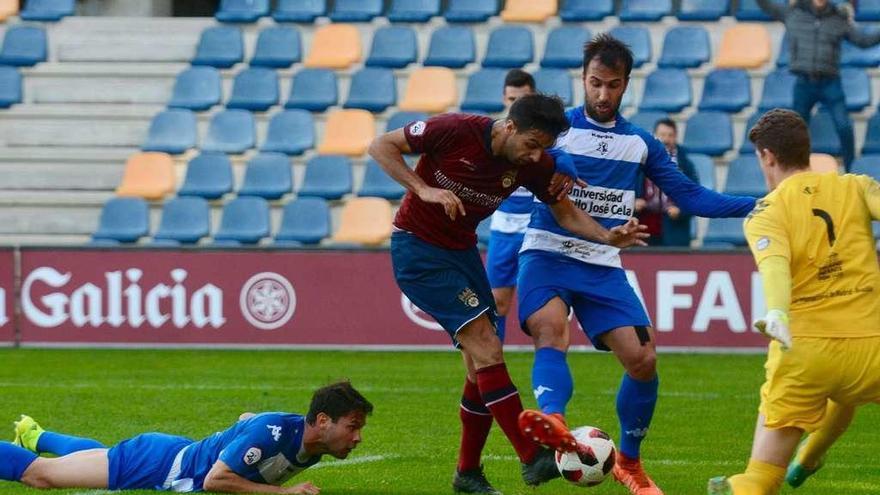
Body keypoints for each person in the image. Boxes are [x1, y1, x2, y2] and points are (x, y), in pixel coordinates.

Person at [514, 34, 757, 495]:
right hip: (546, 250)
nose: (602, 94)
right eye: (595, 83)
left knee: (643, 360)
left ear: (626, 85)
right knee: (550, 328)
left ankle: (629, 461)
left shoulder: (641, 144)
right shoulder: (556, 129)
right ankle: (557, 428)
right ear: (583, 80)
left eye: (613, 85)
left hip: (602, 261)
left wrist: (755, 205)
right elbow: (509, 155)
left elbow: (690, 197)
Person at [369, 93, 648, 494]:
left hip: (461, 253)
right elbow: (381, 145)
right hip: (418, 248)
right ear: (509, 127)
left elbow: (564, 211)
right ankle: (530, 456)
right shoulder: (455, 130)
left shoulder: (531, 164)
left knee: (478, 366)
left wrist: (608, 236)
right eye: (533, 144)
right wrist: (423, 188)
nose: (536, 156)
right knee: (487, 346)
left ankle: (467, 474)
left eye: (545, 149)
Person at [707, 109, 880, 495]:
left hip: (805, 354)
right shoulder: (856, 186)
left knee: (759, 480)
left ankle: (736, 489)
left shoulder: (765, 213)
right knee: (847, 393)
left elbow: (775, 268)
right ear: (807, 149)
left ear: (766, 156)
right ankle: (809, 459)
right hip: (873, 350)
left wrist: (778, 313)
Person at [0, 381, 373, 494]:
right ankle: (33, 441)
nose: (356, 438)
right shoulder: (277, 432)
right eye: (353, 426)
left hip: (175, 453)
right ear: (323, 421)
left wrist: (244, 427)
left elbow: (249, 419)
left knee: (103, 457)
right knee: (42, 476)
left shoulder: (310, 440)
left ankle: (35, 433)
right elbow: (216, 480)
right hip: (160, 464)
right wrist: (284, 493)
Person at [758, 0, 880, 172]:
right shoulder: (794, 13)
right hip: (804, 83)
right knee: (795, 129)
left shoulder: (839, 18)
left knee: (844, 126)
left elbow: (863, 41)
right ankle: (794, 170)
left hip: (830, 82)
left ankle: (851, 168)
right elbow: (767, 6)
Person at [487, 69, 536, 341]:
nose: (516, 105)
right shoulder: (495, 135)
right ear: (504, 99)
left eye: (523, 99)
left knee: (545, 309)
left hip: (537, 228)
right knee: (497, 302)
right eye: (512, 99)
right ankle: (493, 369)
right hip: (504, 227)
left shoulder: (547, 138)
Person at [634, 118, 700, 247]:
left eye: (670, 135)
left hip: (674, 228)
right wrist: (633, 202)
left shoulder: (685, 165)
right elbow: (625, 187)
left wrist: (681, 210)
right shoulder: (639, 160)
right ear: (654, 136)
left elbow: (696, 196)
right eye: (662, 135)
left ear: (676, 137)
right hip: (644, 224)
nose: (666, 139)